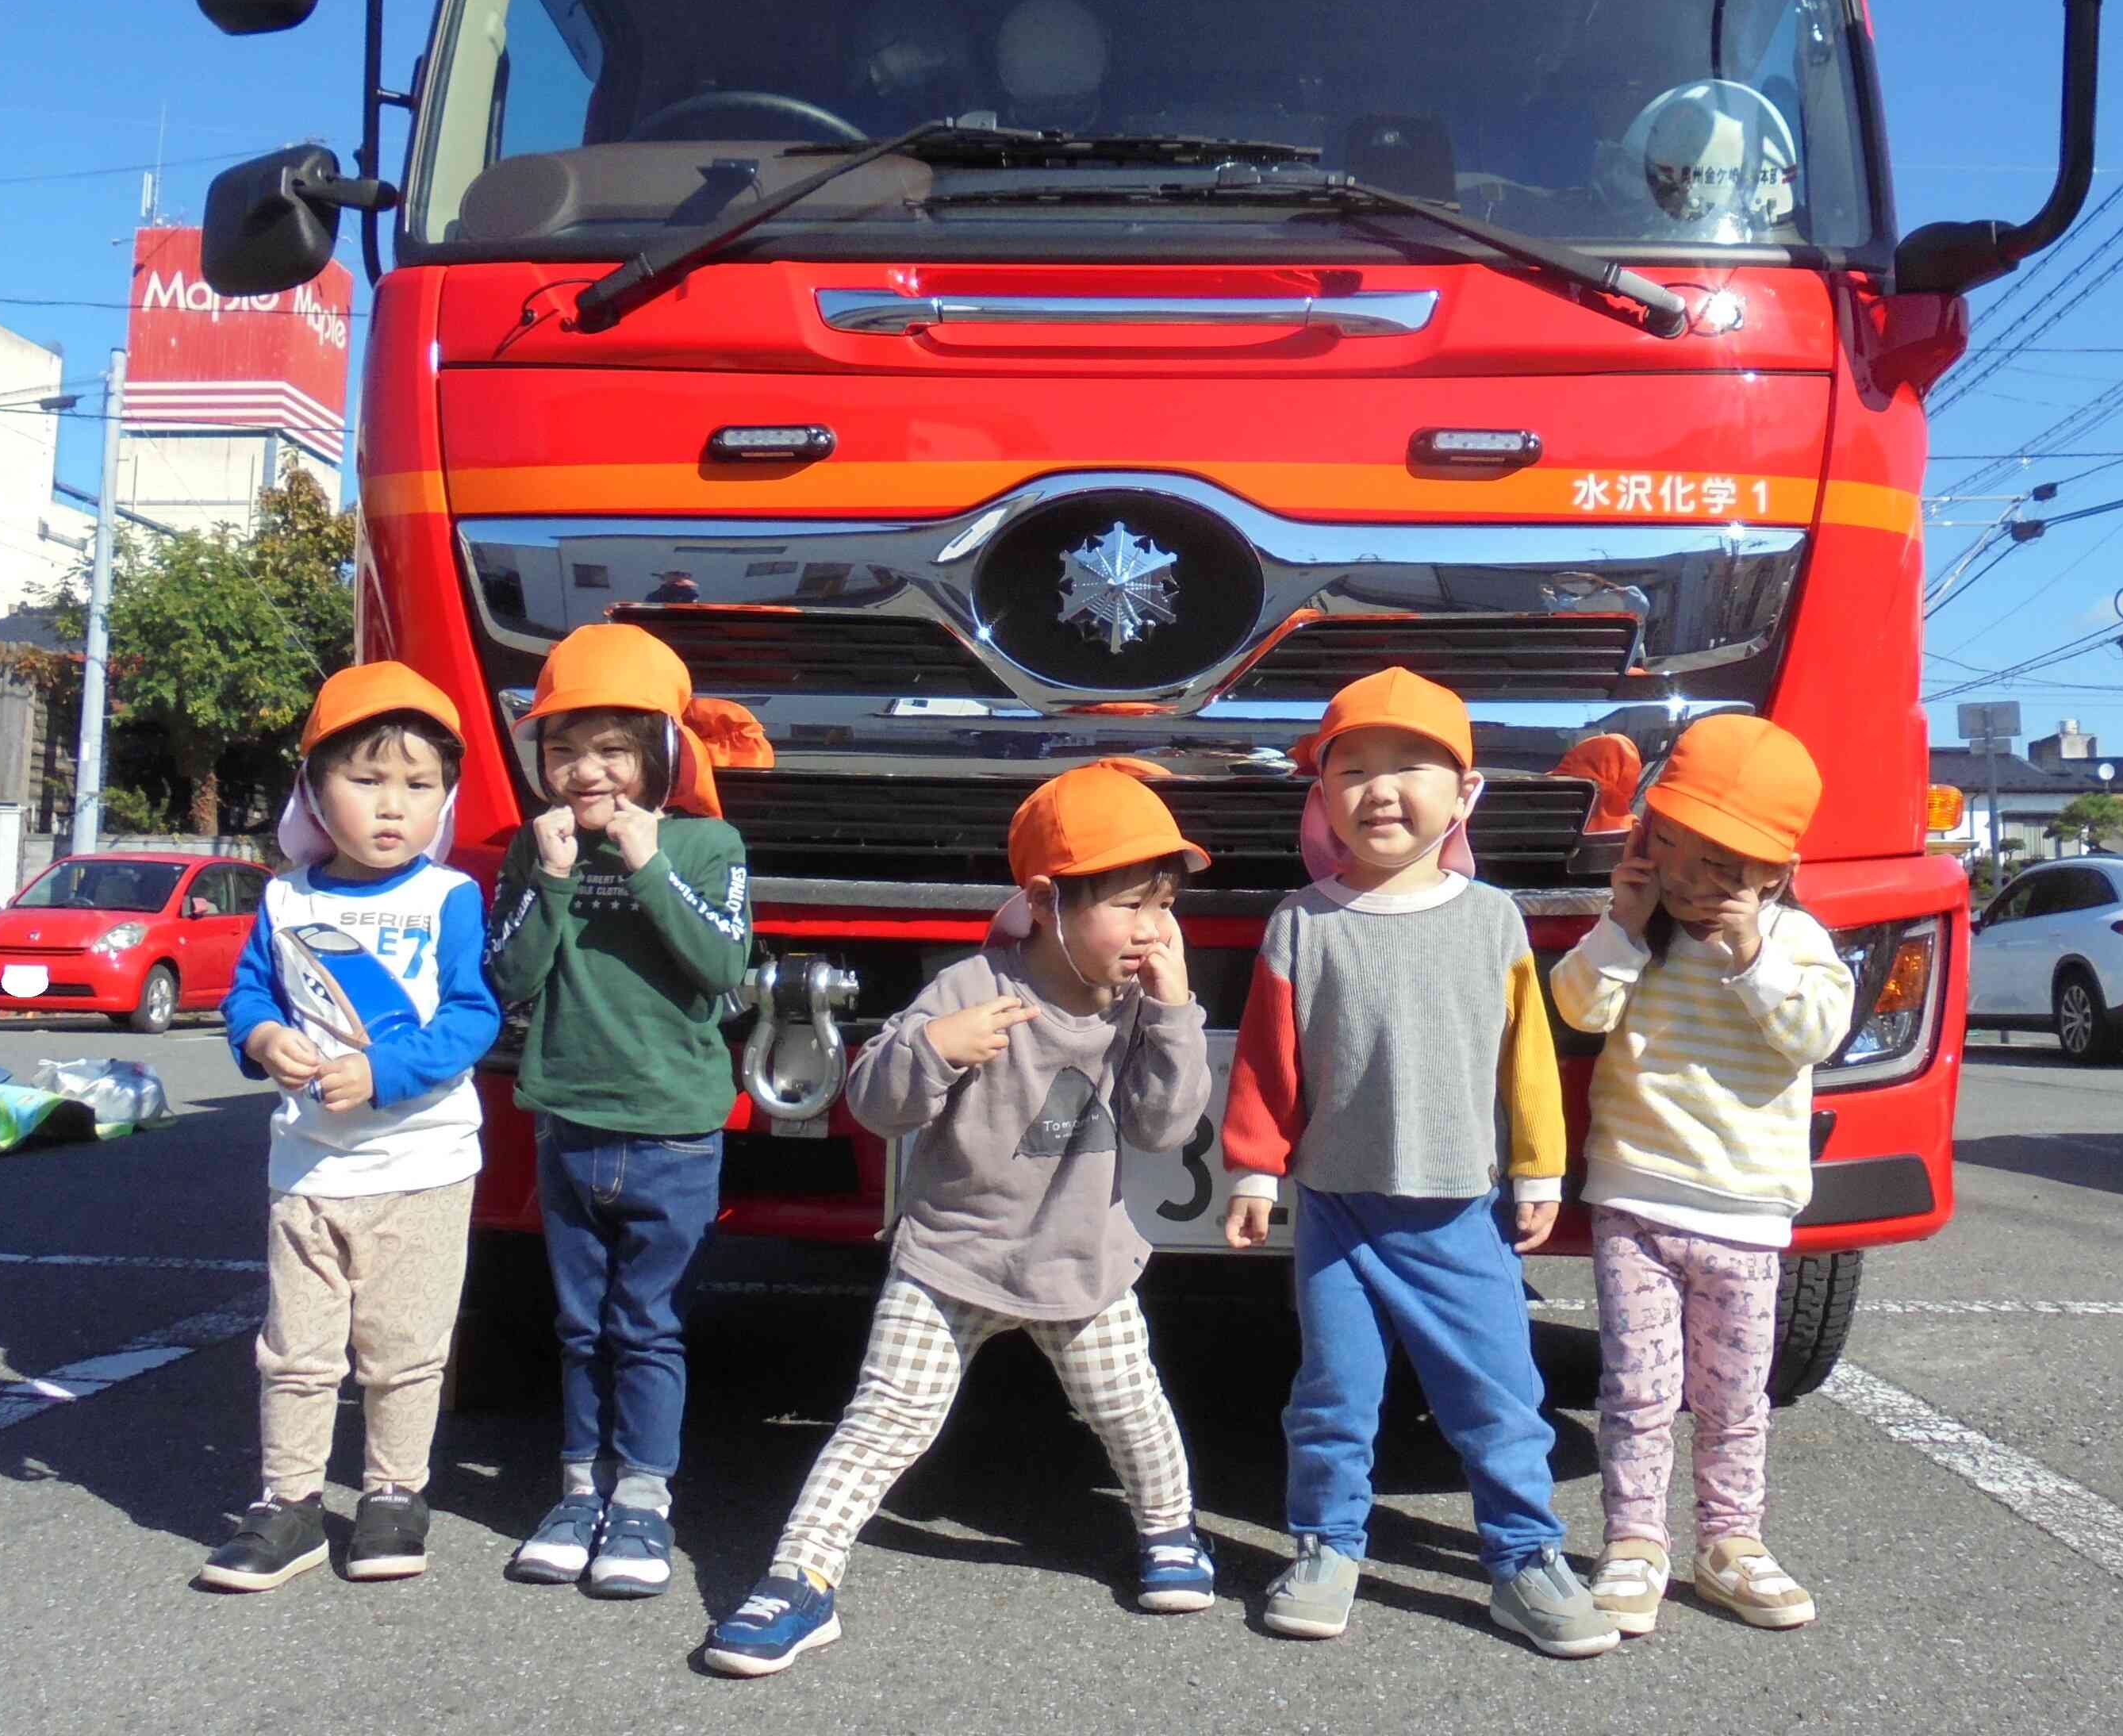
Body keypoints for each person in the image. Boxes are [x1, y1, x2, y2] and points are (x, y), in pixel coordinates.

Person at [704, 760, 1215, 1676]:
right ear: (1047, 901)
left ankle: (1170, 1529)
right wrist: (935, 1049)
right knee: (885, 1418)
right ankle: (800, 1579)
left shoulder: (1146, 1004)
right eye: (1130, 905)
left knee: (1129, 1409)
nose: (1153, 930)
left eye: (1165, 904)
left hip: (1083, 1264)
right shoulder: (971, 986)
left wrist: (1176, 1013)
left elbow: (1164, 1126)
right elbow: (875, 1102)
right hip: (951, 1257)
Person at [1220, 669, 1618, 1659]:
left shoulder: (1492, 920)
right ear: (1322, 798)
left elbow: (1529, 1059)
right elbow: (1268, 1067)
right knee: (1334, 1391)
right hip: (1336, 1213)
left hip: (1457, 1210)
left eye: (1411, 768)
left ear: (1466, 794)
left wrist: (1537, 1171)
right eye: (1351, 771)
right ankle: (1325, 1545)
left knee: (1496, 1391)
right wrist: (1255, 1172)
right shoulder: (1300, 923)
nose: (1381, 791)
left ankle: (1526, 1557)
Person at [1548, 714, 1854, 1634]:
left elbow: (1811, 1035)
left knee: (1732, 1397)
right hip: (1634, 1197)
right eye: (1675, 850)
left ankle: (1732, 1543)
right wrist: (1623, 920)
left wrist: (1751, 953)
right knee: (1637, 1389)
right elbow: (1578, 1006)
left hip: (1748, 1214)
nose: (1695, 881)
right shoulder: (1640, 935)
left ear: (1776, 874)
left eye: (1725, 867)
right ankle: (1635, 1542)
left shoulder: (1796, 943)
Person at [201, 663, 501, 1592]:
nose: (391, 807)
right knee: (294, 1349)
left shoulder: (448, 896)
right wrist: (259, 1034)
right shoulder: (286, 897)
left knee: (405, 1348)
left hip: (422, 1164)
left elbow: (471, 1017)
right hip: (308, 1168)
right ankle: (288, 1505)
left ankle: (392, 1497)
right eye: (365, 780)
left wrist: (381, 1069)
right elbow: (251, 988)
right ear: (313, 788)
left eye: (418, 787)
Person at [486, 624, 754, 1599]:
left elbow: (722, 967)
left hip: (676, 1129)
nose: (585, 771)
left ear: (661, 752)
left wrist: (647, 863)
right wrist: (553, 878)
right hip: (568, 1119)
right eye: (562, 749)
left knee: (646, 1324)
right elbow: (508, 975)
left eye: (612, 748)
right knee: (579, 1324)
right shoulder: (538, 846)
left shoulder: (706, 841)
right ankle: (574, 1491)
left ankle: (642, 1500)